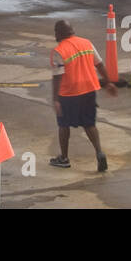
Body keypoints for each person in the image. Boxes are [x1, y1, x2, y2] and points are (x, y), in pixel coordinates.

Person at [49, 19, 117, 171]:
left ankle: (64, 158)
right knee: (89, 124)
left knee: (63, 125)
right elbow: (99, 64)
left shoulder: (59, 51)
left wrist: (55, 99)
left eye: (55, 32)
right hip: (89, 90)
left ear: (59, 33)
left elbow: (58, 76)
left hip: (69, 93)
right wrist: (108, 82)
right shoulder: (87, 43)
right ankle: (99, 153)